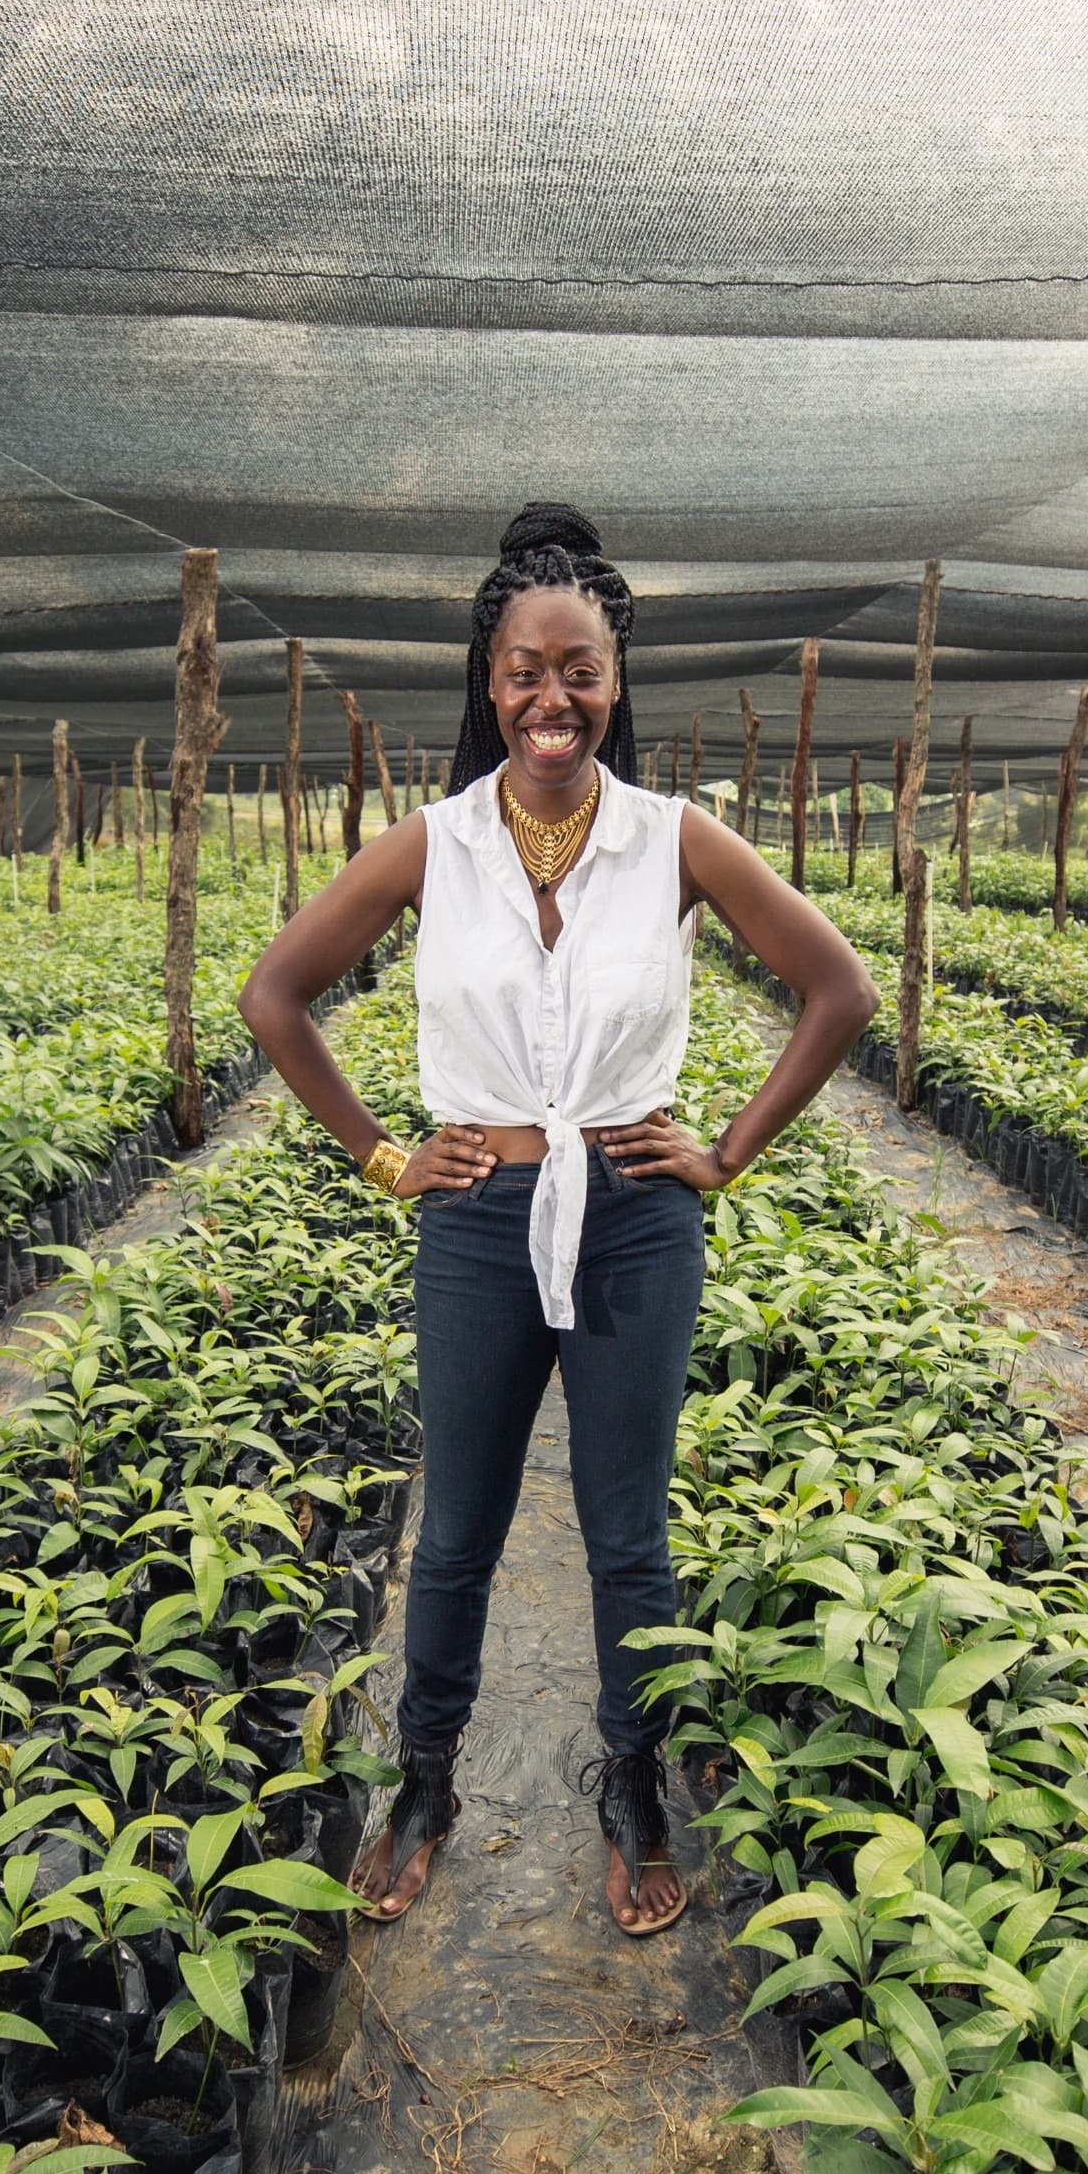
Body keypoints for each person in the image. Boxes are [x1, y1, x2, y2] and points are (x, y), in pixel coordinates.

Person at [238, 503, 874, 1936]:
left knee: (626, 1534)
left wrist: (724, 1154)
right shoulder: (433, 844)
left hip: (637, 1219)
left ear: (617, 681)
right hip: (475, 1222)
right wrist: (384, 1157)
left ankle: (633, 1786)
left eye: (579, 669)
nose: (552, 698)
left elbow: (841, 991)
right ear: (490, 680)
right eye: (527, 670)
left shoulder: (673, 841)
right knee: (455, 1525)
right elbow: (275, 996)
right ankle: (426, 1782)